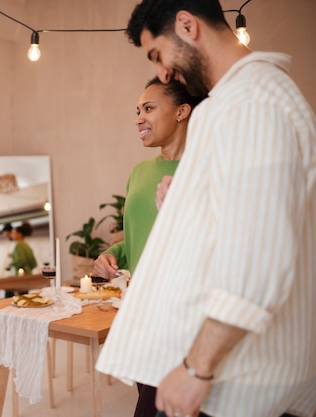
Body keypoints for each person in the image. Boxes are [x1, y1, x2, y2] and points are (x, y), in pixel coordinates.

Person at [95, 1, 316, 417]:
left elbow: (257, 261)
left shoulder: (251, 104)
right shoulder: (236, 104)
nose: (162, 74)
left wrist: (196, 368)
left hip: (237, 379)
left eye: (158, 55)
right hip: (225, 368)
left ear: (187, 25)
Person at [94, 76, 203, 417]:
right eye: (137, 110)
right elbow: (140, 232)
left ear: (183, 111)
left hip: (184, 318)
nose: (139, 117)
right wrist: (114, 254)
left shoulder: (205, 171)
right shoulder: (140, 172)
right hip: (139, 311)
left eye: (149, 108)